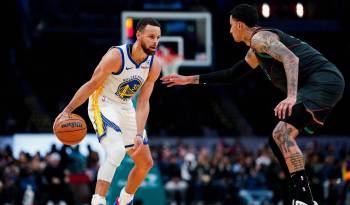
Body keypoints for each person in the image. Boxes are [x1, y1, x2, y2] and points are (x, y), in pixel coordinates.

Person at [161, 4, 345, 205]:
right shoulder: (255, 50)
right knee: (276, 140)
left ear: (240, 25)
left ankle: (304, 199)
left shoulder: (261, 38)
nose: (230, 30)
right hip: (321, 83)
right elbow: (232, 75)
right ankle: (301, 197)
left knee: (282, 134)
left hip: (323, 81)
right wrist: (188, 79)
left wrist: (291, 97)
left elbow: (290, 59)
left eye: (231, 26)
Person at [54, 18, 162, 205]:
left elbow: (143, 102)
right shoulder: (116, 56)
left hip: (126, 105)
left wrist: (138, 133)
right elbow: (92, 84)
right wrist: (67, 110)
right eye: (151, 36)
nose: (155, 41)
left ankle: (124, 200)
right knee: (117, 150)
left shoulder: (154, 65)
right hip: (102, 102)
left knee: (146, 163)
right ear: (138, 35)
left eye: (158, 37)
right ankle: (98, 200)